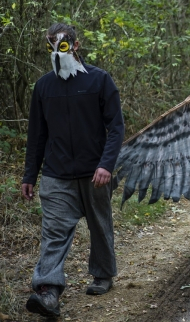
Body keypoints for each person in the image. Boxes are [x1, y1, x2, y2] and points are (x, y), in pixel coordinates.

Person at [21, 23, 125, 317]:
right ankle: (48, 291)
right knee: (54, 232)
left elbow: (116, 127)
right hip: (57, 175)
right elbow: (36, 136)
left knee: (100, 226)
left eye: (62, 43)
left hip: (95, 174)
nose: (57, 49)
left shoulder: (100, 80)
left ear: (75, 45)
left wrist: (106, 164)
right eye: (51, 44)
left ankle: (103, 274)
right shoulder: (43, 87)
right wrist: (30, 175)